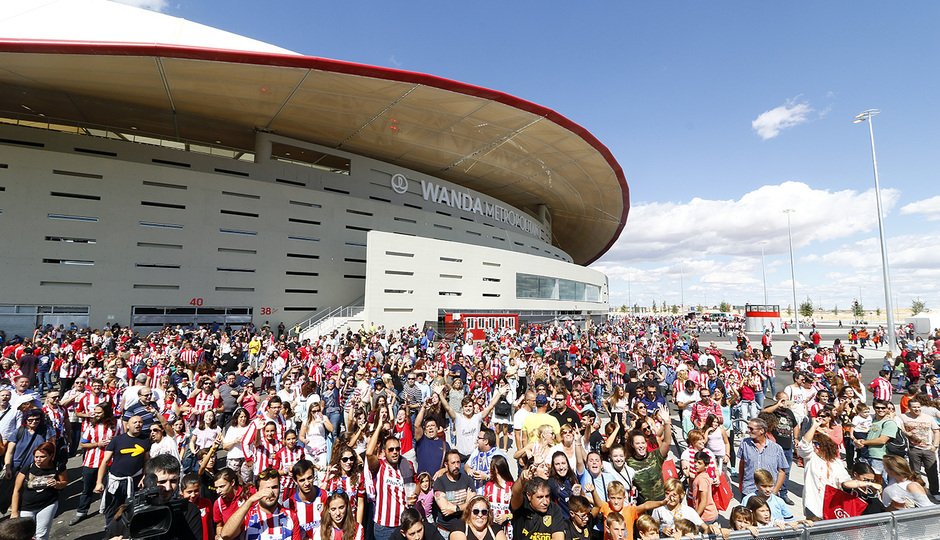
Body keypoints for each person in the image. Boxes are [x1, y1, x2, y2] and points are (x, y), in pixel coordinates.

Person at [104, 453, 203, 540]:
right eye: (162, 482)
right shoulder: (129, 512)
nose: (168, 488)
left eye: (173, 481)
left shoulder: (187, 510)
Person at [797, 416, 879, 519]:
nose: (814, 447)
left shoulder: (836, 463)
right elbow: (803, 445)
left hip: (832, 506)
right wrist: (814, 426)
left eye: (817, 444)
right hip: (814, 505)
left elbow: (845, 482)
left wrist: (868, 483)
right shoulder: (811, 458)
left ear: (826, 446)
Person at [95, 414, 152, 526]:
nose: (138, 424)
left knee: (132, 508)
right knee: (112, 508)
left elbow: (147, 461)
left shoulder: (146, 440)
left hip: (135, 480)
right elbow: (105, 461)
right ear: (127, 426)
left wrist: (144, 477)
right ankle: (110, 531)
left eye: (140, 422)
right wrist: (99, 482)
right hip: (116, 481)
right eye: (134, 422)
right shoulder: (117, 440)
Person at [220, 468, 301, 540]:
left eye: (274, 487)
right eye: (266, 489)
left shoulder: (291, 516)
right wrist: (250, 500)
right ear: (257, 491)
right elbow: (226, 535)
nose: (270, 493)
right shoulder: (247, 515)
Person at [71, 402, 116, 525]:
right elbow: (83, 444)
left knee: (108, 489)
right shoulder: (91, 426)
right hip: (91, 463)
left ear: (105, 413)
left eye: (98, 412)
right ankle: (81, 512)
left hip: (109, 463)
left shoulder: (115, 425)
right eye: (95, 412)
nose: (95, 414)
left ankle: (108, 512)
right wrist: (97, 444)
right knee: (87, 489)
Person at [366, 428, 416, 540]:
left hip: (403, 525)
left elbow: (416, 484)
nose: (395, 452)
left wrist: (414, 495)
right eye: (391, 449)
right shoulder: (379, 466)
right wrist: (378, 426)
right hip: (384, 527)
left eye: (397, 449)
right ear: (384, 451)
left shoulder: (406, 466)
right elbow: (369, 453)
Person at [9, 441, 66, 540]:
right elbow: (16, 490)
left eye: (42, 457)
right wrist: (14, 511)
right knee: (25, 535)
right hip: (27, 507)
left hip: (48, 504)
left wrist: (58, 484)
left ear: (51, 456)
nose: (38, 459)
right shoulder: (28, 468)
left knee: (42, 535)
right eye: (36, 457)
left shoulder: (58, 467)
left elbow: (64, 482)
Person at [625, 405, 672, 502]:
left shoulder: (655, 456)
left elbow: (667, 443)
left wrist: (667, 423)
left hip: (661, 503)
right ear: (632, 445)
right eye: (637, 443)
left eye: (643, 443)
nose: (641, 446)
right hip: (644, 507)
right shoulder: (629, 462)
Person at [894, 399, 940, 498]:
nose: (917, 409)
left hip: (928, 448)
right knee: (915, 472)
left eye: (918, 407)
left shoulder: (928, 418)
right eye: (914, 407)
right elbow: (898, 426)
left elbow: (936, 431)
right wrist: (907, 433)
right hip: (913, 448)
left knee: (932, 471)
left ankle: (935, 492)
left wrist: (935, 445)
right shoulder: (903, 417)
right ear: (909, 408)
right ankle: (919, 492)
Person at [737, 418, 788, 500]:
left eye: (751, 429)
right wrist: (741, 483)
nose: (748, 431)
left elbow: (782, 472)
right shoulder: (745, 444)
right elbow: (742, 465)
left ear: (761, 431)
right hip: (749, 490)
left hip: (768, 493)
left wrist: (774, 491)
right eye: (748, 428)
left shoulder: (776, 448)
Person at [509, 472, 566, 540]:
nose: (545, 502)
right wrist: (521, 479)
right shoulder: (521, 506)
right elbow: (516, 494)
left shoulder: (554, 509)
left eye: (547, 496)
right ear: (529, 496)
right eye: (540, 497)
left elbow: (558, 538)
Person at [434, 449, 474, 535]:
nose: (456, 466)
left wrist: (455, 508)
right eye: (453, 463)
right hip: (445, 531)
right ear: (446, 464)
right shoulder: (440, 482)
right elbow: (444, 507)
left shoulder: (467, 480)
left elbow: (472, 504)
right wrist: (465, 504)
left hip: (463, 529)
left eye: (458, 462)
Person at [853, 399, 898, 475]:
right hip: (865, 455)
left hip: (879, 457)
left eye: (883, 408)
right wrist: (856, 441)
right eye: (877, 408)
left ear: (887, 409)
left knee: (879, 480)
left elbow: (882, 440)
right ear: (874, 408)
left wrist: (863, 442)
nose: (880, 410)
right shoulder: (871, 420)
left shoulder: (889, 423)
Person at [285, 459, 326, 538]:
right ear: (295, 481)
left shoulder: (326, 497)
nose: (307, 483)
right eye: (302, 480)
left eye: (309, 478)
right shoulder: (289, 504)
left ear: (314, 476)